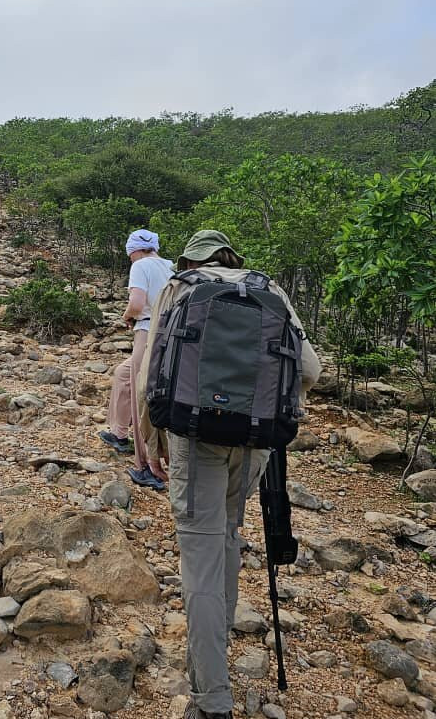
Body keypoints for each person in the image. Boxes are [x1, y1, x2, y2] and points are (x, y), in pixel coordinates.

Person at [137, 230, 321, 719]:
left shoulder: (179, 288)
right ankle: (213, 662)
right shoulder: (270, 290)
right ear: (234, 259)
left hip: (194, 438)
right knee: (227, 542)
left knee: (199, 557)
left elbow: (148, 373)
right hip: (255, 440)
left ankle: (212, 696)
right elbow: (311, 369)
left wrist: (150, 440)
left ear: (190, 259)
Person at [98, 229, 173, 490]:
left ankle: (147, 465)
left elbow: (137, 303)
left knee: (143, 393)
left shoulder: (141, 266)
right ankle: (119, 433)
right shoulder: (171, 266)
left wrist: (127, 316)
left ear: (134, 251)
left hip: (148, 331)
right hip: (174, 336)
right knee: (123, 373)